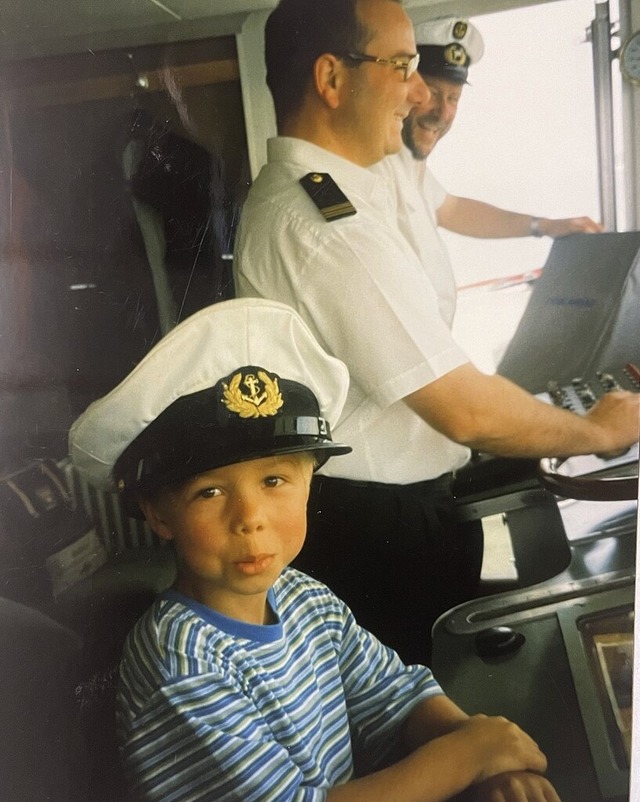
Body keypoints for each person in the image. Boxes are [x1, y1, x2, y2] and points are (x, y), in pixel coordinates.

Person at [233, 0, 639, 666]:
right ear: (332, 80)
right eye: (402, 66)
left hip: (408, 501)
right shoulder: (328, 225)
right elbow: (466, 411)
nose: (421, 93)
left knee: (510, 599)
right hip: (383, 526)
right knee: (441, 688)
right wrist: (599, 432)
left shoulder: (335, 190)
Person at [69, 297, 561, 802]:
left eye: (275, 480)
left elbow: (393, 698)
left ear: (309, 485)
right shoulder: (182, 667)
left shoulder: (304, 597)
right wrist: (466, 756)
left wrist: (487, 759)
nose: (250, 518)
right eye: (210, 492)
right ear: (157, 514)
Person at [377, 16, 603, 247]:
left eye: (453, 98)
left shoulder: (408, 162)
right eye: (432, 93)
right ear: (405, 89)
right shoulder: (377, 167)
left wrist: (545, 226)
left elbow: (452, 210)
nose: (443, 113)